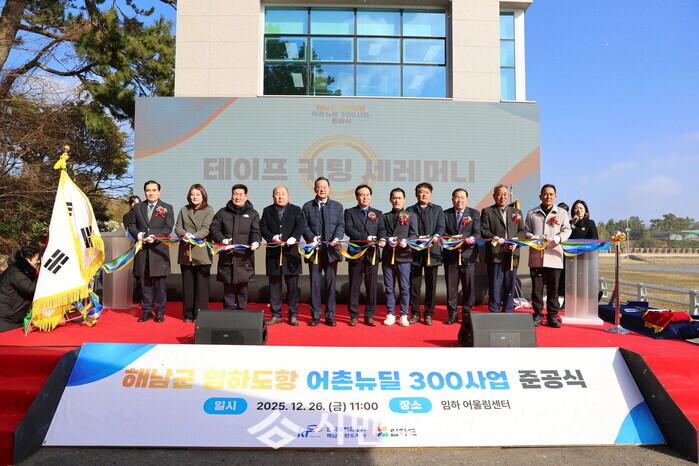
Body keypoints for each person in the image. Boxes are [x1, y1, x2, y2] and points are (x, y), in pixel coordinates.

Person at [126, 180, 175, 322]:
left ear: (159, 192)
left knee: (160, 284)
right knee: (144, 282)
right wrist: (139, 235)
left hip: (158, 251)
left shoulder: (167, 207)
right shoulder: (137, 208)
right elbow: (131, 225)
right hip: (142, 250)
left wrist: (155, 236)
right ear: (144, 192)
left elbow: (168, 227)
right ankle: (146, 310)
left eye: (154, 190)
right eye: (148, 190)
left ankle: (159, 311)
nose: (151, 193)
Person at [524, 184, 572, 327]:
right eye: (545, 194)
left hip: (554, 256)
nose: (548, 197)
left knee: (553, 289)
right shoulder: (532, 213)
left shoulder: (562, 213)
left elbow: (567, 230)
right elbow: (525, 231)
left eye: (551, 194)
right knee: (537, 289)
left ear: (555, 196)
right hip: (537, 256)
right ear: (540, 196)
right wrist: (532, 236)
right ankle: (537, 314)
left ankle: (552, 315)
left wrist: (559, 238)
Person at [302, 177, 345, 327]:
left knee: (330, 285)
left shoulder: (337, 206)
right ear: (315, 189)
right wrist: (311, 237)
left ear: (329, 189)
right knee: (315, 285)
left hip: (331, 251)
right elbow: (304, 226)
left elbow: (341, 225)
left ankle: (330, 316)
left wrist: (337, 237)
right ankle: (315, 315)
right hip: (314, 252)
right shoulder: (307, 206)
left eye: (325, 187)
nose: (322, 189)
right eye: (319, 187)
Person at [211, 184, 261, 310]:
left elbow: (256, 231)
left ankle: (241, 311)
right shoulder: (222, 213)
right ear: (231, 195)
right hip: (227, 256)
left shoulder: (253, 214)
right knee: (228, 285)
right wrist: (222, 240)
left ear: (246, 196)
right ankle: (228, 312)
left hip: (244, 257)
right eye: (235, 194)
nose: (237, 197)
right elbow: (214, 229)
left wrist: (256, 242)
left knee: (243, 286)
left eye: (240, 194)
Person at [260, 186, 305, 326]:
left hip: (291, 254)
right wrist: (272, 237)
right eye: (277, 194)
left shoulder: (296, 209)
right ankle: (276, 314)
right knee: (274, 286)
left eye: (283, 194)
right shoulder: (267, 210)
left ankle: (293, 314)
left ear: (288, 195)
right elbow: (262, 227)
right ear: (273, 196)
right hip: (274, 253)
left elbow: (300, 226)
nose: (280, 197)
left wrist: (294, 237)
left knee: (292, 287)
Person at [480, 184, 525, 313]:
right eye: (499, 194)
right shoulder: (487, 211)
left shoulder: (516, 212)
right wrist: (494, 237)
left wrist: (516, 239)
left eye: (505, 194)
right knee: (495, 285)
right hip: (495, 253)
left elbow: (522, 231)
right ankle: (494, 311)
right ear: (494, 196)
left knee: (510, 284)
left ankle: (508, 310)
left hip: (512, 253)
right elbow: (483, 230)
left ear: (508, 196)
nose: (502, 197)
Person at [344, 184, 385, 326]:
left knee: (371, 286)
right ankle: (353, 315)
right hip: (356, 253)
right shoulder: (349, 212)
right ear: (357, 197)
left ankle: (369, 315)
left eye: (367, 195)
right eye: (361, 195)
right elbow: (349, 230)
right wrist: (365, 238)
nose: (365, 197)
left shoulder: (378, 213)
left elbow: (382, 230)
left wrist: (382, 239)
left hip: (372, 253)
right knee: (354, 285)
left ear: (370, 197)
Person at [174, 184, 214, 323]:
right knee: (188, 286)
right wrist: (185, 234)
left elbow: (206, 229)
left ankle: (199, 314)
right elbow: (178, 227)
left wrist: (194, 236)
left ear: (203, 196)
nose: (195, 197)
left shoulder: (209, 210)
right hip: (186, 252)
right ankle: (188, 314)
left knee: (202, 288)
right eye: (192, 194)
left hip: (202, 253)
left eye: (198, 194)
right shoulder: (184, 210)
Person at [407, 182, 445, 325]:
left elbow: (441, 227)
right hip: (416, 251)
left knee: (431, 284)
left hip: (432, 251)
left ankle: (429, 313)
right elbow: (408, 229)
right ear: (416, 194)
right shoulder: (410, 210)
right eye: (421, 192)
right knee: (414, 284)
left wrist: (436, 236)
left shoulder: (437, 209)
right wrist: (415, 239)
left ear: (431, 194)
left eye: (426, 192)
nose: (423, 194)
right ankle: (415, 313)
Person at [443, 189, 481, 324]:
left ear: (467, 199)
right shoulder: (445, 214)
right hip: (451, 256)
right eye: (457, 197)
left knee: (468, 287)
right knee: (451, 287)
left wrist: (472, 238)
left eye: (462, 197)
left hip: (468, 255)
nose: (459, 200)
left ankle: (466, 314)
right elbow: (442, 233)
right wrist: (451, 239)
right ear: (452, 199)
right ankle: (452, 314)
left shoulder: (474, 213)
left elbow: (478, 233)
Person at [381, 188, 418, 327]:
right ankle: (390, 313)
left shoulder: (411, 216)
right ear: (390, 199)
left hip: (404, 256)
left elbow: (414, 235)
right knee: (389, 287)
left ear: (404, 200)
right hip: (388, 256)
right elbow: (381, 233)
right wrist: (387, 239)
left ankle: (403, 314)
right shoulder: (384, 216)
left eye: (399, 198)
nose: (397, 200)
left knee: (404, 287)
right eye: (394, 198)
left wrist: (407, 241)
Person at [0, 245, 40, 332]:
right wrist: (43, 276)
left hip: (12, 317)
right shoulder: (15, 272)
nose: (37, 262)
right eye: (36, 259)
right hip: (5, 319)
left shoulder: (24, 270)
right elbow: (30, 289)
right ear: (28, 259)